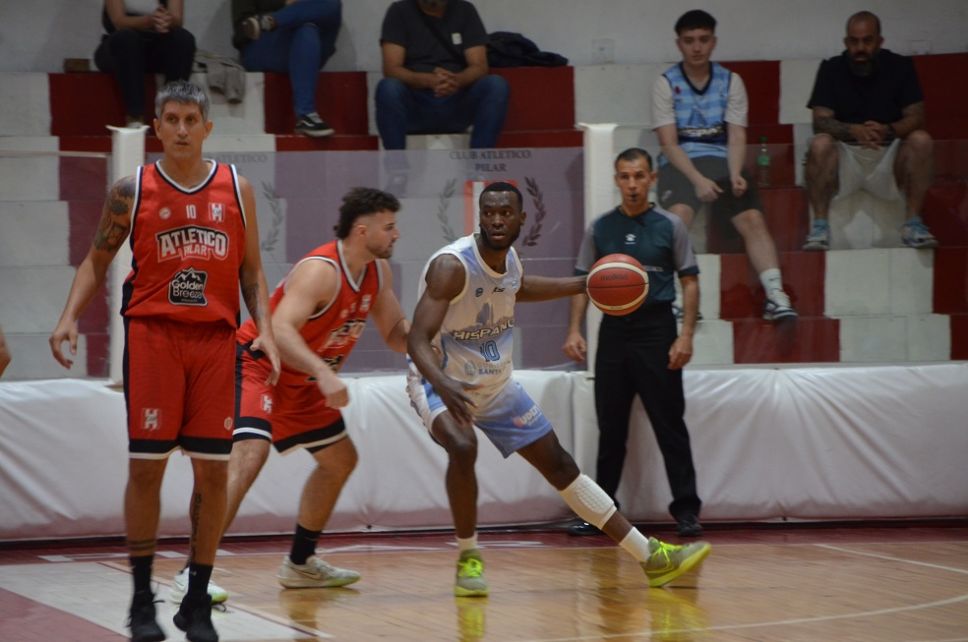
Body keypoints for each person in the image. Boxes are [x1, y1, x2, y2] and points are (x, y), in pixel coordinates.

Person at [49, 80, 281, 642]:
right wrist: (68, 316)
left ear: (207, 127)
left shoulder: (237, 188)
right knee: (147, 468)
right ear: (157, 127)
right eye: (171, 119)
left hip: (215, 341)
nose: (180, 129)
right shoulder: (133, 189)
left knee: (213, 472)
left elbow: (251, 269)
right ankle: (140, 601)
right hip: (154, 338)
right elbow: (96, 259)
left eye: (190, 120)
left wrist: (268, 332)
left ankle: (196, 600)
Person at [407, 181, 711, 597]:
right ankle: (468, 557)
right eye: (489, 212)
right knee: (462, 447)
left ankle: (651, 557)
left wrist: (584, 284)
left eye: (505, 213)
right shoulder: (452, 266)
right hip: (439, 380)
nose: (496, 220)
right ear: (480, 216)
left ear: (521, 219)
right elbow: (416, 339)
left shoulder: (509, 260)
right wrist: (443, 383)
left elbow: (519, 287)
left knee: (561, 466)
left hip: (494, 384)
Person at [168, 187, 409, 603]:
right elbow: (279, 329)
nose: (396, 234)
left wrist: (438, 335)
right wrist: (323, 371)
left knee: (340, 460)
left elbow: (395, 334)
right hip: (259, 364)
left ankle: (300, 564)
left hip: (301, 381)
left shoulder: (378, 273)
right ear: (361, 230)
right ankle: (193, 572)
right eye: (388, 227)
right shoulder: (321, 271)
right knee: (250, 454)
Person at [563, 148, 704, 539]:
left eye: (639, 176)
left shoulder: (670, 226)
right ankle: (601, 513)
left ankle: (687, 511)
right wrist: (574, 330)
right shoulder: (600, 228)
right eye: (625, 176)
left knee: (669, 424)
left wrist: (685, 336)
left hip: (658, 330)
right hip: (614, 332)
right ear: (616, 180)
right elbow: (581, 282)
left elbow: (690, 282)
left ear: (652, 179)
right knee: (610, 427)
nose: (632, 184)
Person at [653, 9, 796, 322]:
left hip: (722, 161)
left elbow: (736, 135)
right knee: (677, 218)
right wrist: (697, 180)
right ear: (679, 44)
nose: (697, 47)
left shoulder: (731, 81)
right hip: (682, 164)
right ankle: (677, 299)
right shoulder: (666, 83)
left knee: (753, 218)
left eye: (703, 39)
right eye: (689, 40)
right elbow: (669, 143)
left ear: (713, 42)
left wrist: (734, 174)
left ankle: (775, 296)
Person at [802, 11, 937, 250]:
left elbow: (917, 117)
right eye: (854, 41)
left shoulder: (901, 66)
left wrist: (889, 130)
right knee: (820, 143)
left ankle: (913, 224)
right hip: (846, 157)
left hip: (889, 155)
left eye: (867, 40)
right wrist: (852, 131)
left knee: (922, 140)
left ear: (880, 41)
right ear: (846, 42)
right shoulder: (831, 68)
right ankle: (820, 227)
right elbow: (820, 121)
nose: (860, 48)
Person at [375, 0, 510, 150]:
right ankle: (396, 164)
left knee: (496, 85)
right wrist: (428, 80)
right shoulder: (399, 11)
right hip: (415, 104)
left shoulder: (465, 10)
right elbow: (391, 69)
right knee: (388, 88)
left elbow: (479, 66)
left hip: (457, 101)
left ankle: (480, 162)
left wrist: (456, 81)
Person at [231, 0, 343, 137]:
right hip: (265, 49)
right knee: (306, 29)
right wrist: (286, 5)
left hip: (310, 48)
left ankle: (270, 21)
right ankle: (306, 115)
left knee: (331, 4)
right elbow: (243, 30)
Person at [94, 0, 196, 126]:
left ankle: (172, 111)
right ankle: (135, 116)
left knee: (184, 39)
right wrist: (149, 21)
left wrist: (167, 20)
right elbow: (119, 22)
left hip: (153, 43)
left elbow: (177, 19)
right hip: (119, 48)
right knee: (127, 39)